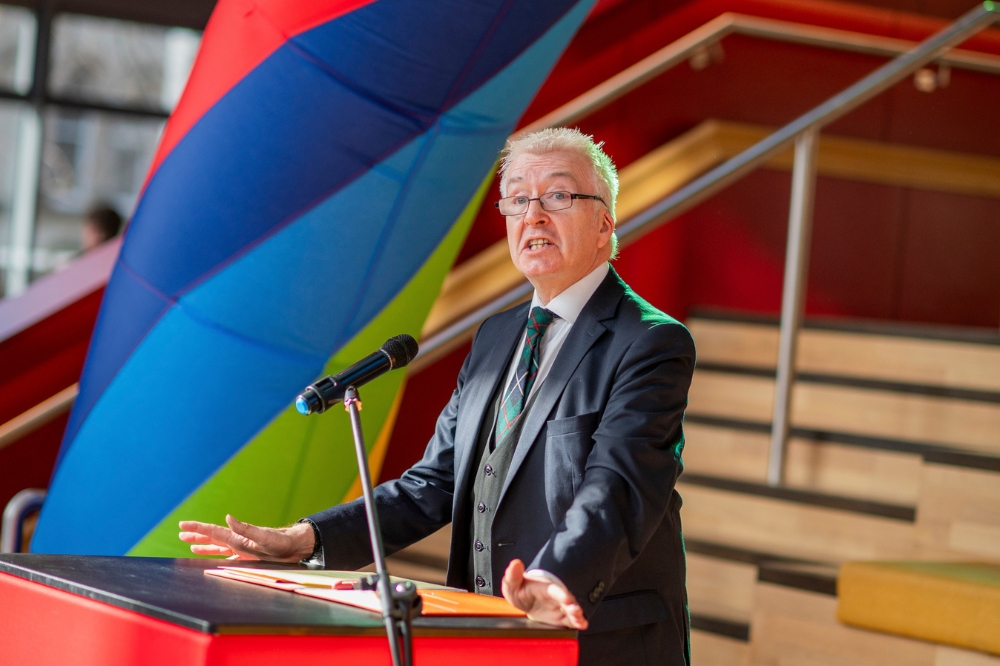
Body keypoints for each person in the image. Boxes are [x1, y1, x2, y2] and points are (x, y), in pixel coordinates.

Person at [180, 128, 695, 666]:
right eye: (517, 199)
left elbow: (617, 487)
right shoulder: (497, 336)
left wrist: (553, 576)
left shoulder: (651, 341)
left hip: (598, 642)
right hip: (487, 636)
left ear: (604, 223)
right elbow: (433, 484)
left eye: (559, 196)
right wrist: (308, 538)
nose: (533, 215)